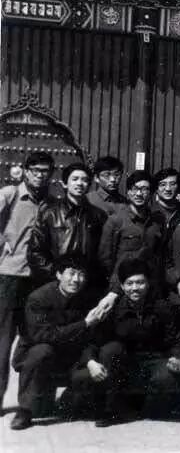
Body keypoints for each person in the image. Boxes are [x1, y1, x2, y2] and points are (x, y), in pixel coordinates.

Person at [74, 258, 180, 427]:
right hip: (123, 365)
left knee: (167, 379)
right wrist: (91, 362)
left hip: (152, 362)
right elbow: (93, 341)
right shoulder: (112, 310)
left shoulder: (161, 307)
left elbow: (174, 341)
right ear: (122, 287)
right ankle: (110, 410)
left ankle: (142, 406)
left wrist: (176, 358)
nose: (135, 288)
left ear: (148, 284)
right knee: (111, 349)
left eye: (140, 282)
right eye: (130, 283)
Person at [10, 255, 105, 430]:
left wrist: (90, 361)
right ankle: (25, 410)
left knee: (93, 369)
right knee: (42, 351)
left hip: (70, 356)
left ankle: (70, 397)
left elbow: (91, 338)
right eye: (71, 273)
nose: (76, 279)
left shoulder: (87, 299)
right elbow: (42, 335)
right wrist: (84, 323)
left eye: (81, 275)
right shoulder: (39, 298)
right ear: (59, 275)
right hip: (39, 355)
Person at [0, 151, 54, 410]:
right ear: (25, 171)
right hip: (10, 277)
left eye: (45, 171)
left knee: (34, 339)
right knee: (3, 340)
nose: (40, 175)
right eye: (35, 170)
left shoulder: (51, 202)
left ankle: (31, 403)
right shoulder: (9, 195)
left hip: (38, 281)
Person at [28, 162, 106, 289]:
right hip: (55, 282)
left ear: (89, 185)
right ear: (65, 184)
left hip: (86, 283)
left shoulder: (98, 216)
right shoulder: (49, 212)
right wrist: (56, 274)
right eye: (75, 179)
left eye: (84, 180)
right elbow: (36, 251)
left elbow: (103, 255)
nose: (80, 183)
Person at [96, 171, 166, 313]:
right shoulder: (115, 221)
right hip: (121, 289)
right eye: (134, 189)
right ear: (128, 192)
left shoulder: (157, 222)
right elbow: (105, 260)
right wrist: (115, 288)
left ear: (151, 193)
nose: (139, 194)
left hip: (150, 289)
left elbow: (160, 256)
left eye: (145, 189)